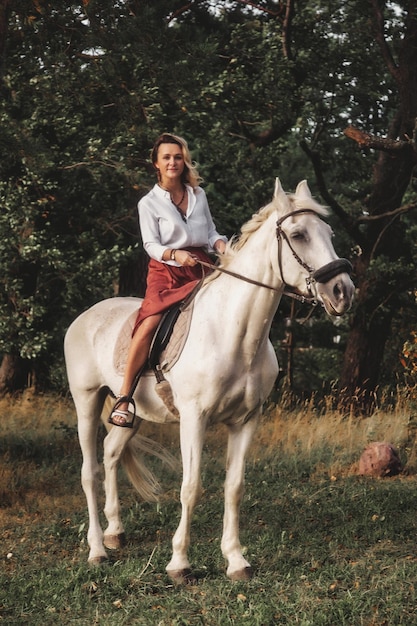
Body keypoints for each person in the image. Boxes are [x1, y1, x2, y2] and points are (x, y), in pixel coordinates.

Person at [109, 133, 227, 427]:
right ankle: (125, 396)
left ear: (183, 160)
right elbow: (150, 245)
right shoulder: (148, 203)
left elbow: (210, 232)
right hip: (166, 271)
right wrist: (175, 254)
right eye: (166, 158)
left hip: (201, 265)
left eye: (177, 156)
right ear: (156, 164)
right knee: (149, 321)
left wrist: (222, 245)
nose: (173, 162)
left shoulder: (199, 195)